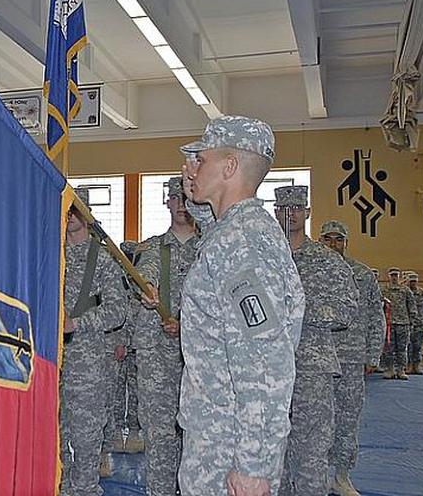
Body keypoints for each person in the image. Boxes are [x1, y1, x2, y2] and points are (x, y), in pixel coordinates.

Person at [176, 115, 306, 496]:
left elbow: (265, 362)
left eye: (202, 159)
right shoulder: (236, 232)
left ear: (229, 167)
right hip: (219, 438)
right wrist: (196, 195)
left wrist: (254, 466)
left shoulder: (242, 243)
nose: (192, 167)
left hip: (228, 449)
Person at [273, 188, 356, 496]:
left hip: (311, 367)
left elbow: (346, 309)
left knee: (311, 454)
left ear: (307, 213)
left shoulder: (327, 261)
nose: (289, 213)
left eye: (296, 207)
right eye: (283, 207)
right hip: (266, 370)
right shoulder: (262, 258)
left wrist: (298, 313)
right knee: (270, 454)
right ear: (275, 212)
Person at [131, 176, 198, 496]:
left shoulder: (211, 249)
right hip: (157, 352)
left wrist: (187, 325)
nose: (181, 204)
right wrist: (147, 289)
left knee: (198, 431)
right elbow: (144, 277)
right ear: (167, 202)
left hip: (199, 354)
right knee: (159, 432)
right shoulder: (153, 248)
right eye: (176, 198)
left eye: (186, 198)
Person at [59, 186, 128, 496]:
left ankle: (85, 490)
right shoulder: (49, 253)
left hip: (88, 363)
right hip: (52, 361)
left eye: (77, 210)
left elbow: (117, 310)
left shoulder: (102, 258)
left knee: (86, 439)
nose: (71, 216)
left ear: (86, 214)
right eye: (68, 210)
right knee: (55, 437)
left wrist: (78, 323)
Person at [319, 220, 385, 496]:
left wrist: (373, 353)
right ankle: (317, 475)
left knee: (348, 419)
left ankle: (342, 476)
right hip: (318, 358)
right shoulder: (312, 271)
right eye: (328, 239)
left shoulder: (362, 274)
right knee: (316, 419)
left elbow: (375, 315)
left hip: (351, 358)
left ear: (346, 242)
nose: (333, 244)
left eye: (338, 239)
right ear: (321, 241)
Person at [380, 268, 417, 379]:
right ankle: (390, 369)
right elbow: (379, 306)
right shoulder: (384, 290)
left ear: (399, 276)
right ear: (389, 276)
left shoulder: (405, 290)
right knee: (388, 348)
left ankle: (401, 370)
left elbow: (412, 306)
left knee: (402, 348)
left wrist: (411, 321)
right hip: (389, 323)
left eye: (396, 275)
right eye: (392, 275)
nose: (394, 277)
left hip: (403, 323)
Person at [405, 271, 423, 375]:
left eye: (414, 281)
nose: (413, 283)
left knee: (419, 346)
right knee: (408, 346)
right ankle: (409, 365)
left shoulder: (422, 293)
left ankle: (417, 365)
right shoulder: (405, 292)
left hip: (419, 324)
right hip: (407, 324)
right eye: (411, 281)